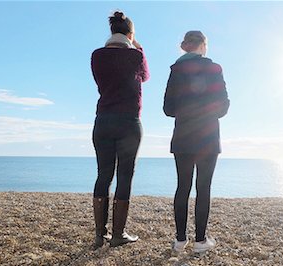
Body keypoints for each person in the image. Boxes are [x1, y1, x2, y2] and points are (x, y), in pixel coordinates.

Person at [163, 31, 230, 253]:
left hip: (183, 135)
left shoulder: (176, 70)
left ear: (185, 47)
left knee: (183, 187)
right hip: (208, 136)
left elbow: (167, 109)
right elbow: (222, 106)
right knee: (203, 188)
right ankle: (200, 240)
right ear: (202, 45)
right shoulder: (214, 69)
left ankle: (180, 240)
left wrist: (186, 110)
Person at [91, 11, 149, 249]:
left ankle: (99, 235)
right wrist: (139, 46)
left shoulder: (97, 55)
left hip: (103, 120)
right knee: (124, 175)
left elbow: (101, 81)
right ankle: (118, 234)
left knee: (104, 174)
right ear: (130, 33)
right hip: (128, 122)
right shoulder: (135, 56)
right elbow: (145, 76)